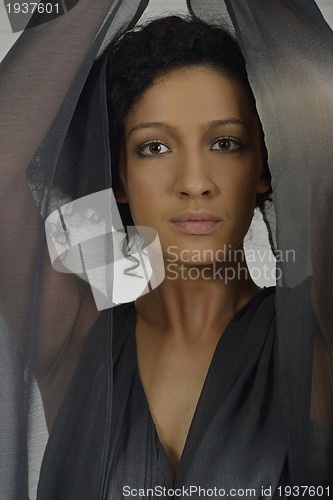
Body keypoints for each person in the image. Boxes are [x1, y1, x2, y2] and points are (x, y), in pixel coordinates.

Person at [0, 1, 332, 499]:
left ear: (265, 168)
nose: (195, 183)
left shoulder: (315, 336)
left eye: (226, 143)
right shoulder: (74, 337)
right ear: (120, 178)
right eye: (154, 147)